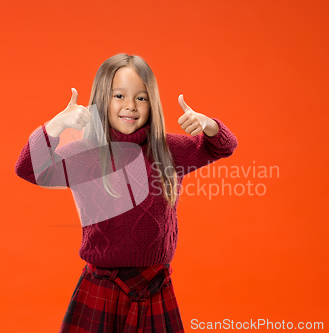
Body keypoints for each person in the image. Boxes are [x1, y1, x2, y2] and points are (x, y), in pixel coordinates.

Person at [14, 54, 238, 333]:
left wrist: (209, 125)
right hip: (102, 289)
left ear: (152, 103)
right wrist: (55, 126)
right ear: (101, 100)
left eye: (141, 98)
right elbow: (29, 170)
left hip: (156, 288)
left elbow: (224, 146)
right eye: (118, 95)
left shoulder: (169, 150)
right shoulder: (86, 155)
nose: (130, 106)